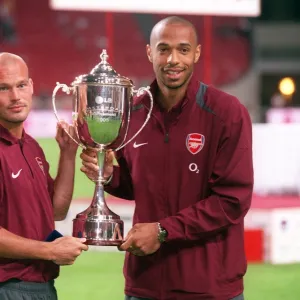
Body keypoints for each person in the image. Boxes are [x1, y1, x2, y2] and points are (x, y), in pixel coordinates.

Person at [81, 16, 253, 300]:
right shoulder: (133, 112)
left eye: (183, 49)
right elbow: (135, 184)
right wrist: (110, 175)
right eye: (164, 49)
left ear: (196, 53)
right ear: (150, 53)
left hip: (209, 289)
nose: (173, 59)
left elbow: (231, 201)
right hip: (145, 286)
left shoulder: (226, 113)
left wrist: (163, 231)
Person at [0, 52, 88, 300]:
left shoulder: (31, 146)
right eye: (3, 88)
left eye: (21, 85)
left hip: (42, 286)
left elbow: (56, 211)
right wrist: (48, 251)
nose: (15, 96)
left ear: (31, 87)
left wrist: (68, 155)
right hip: (7, 286)